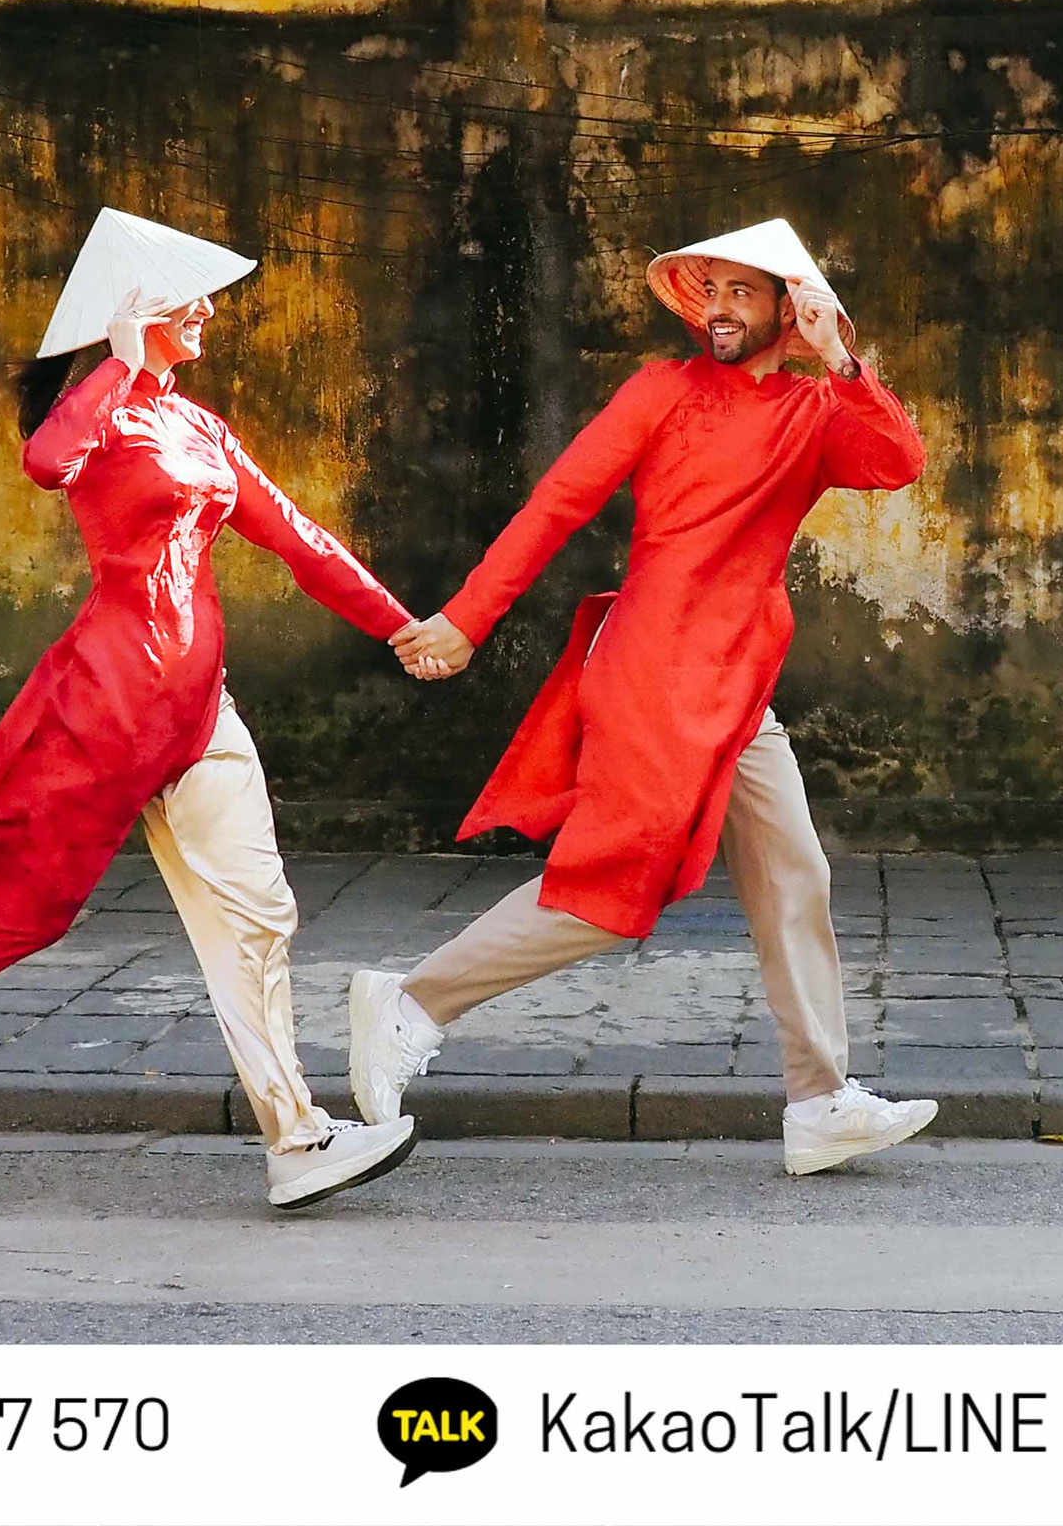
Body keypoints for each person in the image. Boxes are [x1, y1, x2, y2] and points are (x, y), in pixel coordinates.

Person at [0, 208, 421, 1210]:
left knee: (258, 912)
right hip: (106, 703)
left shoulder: (197, 424)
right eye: (192, 295)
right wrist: (119, 366)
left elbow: (295, 534)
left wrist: (400, 625)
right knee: (23, 898)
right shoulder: (106, 413)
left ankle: (296, 1138)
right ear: (134, 310)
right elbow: (46, 462)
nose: (212, 312)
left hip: (195, 708)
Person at [350, 217, 936, 1176]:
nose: (720, 311)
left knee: (795, 872)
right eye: (713, 292)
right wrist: (465, 617)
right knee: (614, 885)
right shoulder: (662, 390)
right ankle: (414, 1002)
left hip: (740, 680)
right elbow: (558, 505)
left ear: (792, 309)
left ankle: (822, 1098)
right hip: (655, 670)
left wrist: (844, 360)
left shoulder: (817, 411)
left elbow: (898, 461)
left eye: (744, 293)